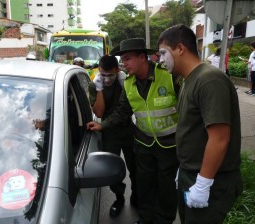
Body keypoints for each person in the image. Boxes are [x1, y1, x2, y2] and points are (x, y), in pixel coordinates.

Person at [87, 38, 180, 224]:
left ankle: (163, 220)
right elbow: (122, 111)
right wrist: (102, 125)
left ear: (142, 57)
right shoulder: (129, 83)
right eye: (123, 59)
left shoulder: (169, 76)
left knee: (166, 187)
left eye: (128, 58)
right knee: (144, 185)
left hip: (170, 145)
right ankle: (144, 218)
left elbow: (187, 109)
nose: (124, 63)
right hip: (144, 143)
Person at [158, 24, 243, 224]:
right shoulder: (188, 80)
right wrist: (185, 168)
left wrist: (203, 183)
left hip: (212, 180)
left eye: (163, 53)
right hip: (193, 174)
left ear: (180, 48)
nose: (160, 61)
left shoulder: (209, 79)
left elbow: (220, 138)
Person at [89, 55, 137, 217]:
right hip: (109, 134)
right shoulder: (95, 85)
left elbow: (127, 110)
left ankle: (136, 196)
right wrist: (100, 89)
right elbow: (100, 112)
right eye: (103, 74)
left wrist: (125, 85)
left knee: (135, 167)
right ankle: (119, 198)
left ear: (118, 70)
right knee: (112, 170)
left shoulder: (125, 81)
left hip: (127, 130)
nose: (107, 79)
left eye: (110, 75)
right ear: (99, 71)